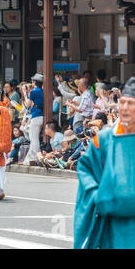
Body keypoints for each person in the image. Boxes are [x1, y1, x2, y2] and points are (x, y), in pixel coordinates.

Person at [74, 77, 135, 249]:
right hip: (111, 223)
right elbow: (85, 167)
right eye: (122, 103)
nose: (124, 108)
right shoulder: (105, 139)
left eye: (130, 103)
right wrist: (96, 194)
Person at [23, 74, 44, 165]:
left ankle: (37, 158)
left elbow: (27, 104)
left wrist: (25, 94)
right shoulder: (43, 91)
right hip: (41, 115)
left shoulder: (33, 91)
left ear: (34, 82)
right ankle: (30, 158)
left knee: (34, 138)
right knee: (34, 138)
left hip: (36, 116)